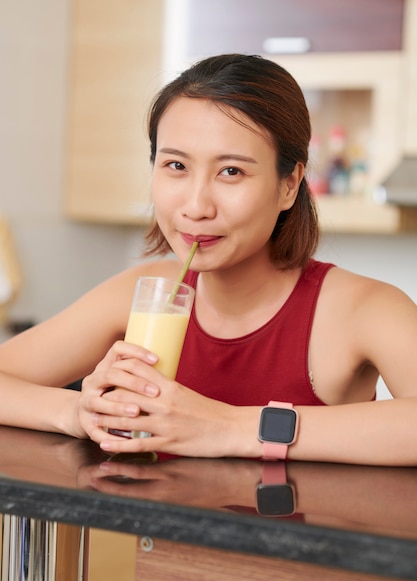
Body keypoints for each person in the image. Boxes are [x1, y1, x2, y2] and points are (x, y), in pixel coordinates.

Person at [0, 54, 416, 465]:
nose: (196, 206)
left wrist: (229, 427)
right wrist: (77, 411)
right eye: (176, 165)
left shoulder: (363, 308)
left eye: (231, 172)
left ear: (288, 185)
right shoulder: (141, 293)